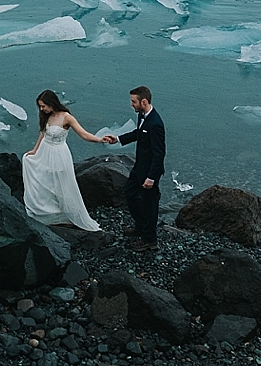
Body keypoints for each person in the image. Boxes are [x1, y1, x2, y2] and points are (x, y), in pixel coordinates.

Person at [22, 90, 106, 231]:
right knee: (43, 179)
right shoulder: (46, 116)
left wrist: (99, 139)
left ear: (51, 103)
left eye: (43, 106)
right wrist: (35, 150)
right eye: (40, 106)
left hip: (59, 153)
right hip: (44, 151)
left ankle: (64, 215)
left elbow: (83, 134)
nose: (41, 109)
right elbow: (43, 133)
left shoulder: (67, 117)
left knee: (62, 184)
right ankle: (47, 212)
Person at [103, 86, 165, 252]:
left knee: (149, 204)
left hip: (149, 172)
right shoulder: (142, 115)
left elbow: (159, 154)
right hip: (139, 167)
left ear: (143, 102)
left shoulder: (155, 124)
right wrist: (118, 139)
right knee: (130, 193)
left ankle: (150, 240)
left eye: (133, 101)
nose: (131, 104)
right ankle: (141, 225)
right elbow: (138, 133)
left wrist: (151, 178)